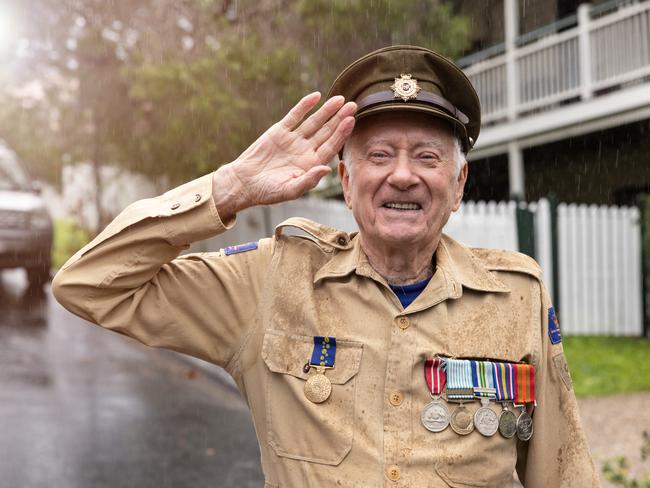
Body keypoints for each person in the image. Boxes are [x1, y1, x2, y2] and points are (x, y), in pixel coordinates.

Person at [53, 45, 599, 487]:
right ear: (344, 181)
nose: (403, 175)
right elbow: (89, 285)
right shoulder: (271, 281)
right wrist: (228, 189)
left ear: (458, 186)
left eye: (427, 157)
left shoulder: (516, 296)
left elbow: (565, 471)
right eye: (379, 155)